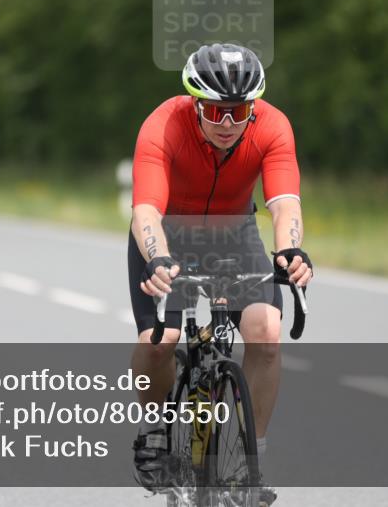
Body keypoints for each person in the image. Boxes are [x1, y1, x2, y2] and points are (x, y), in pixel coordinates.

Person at [128, 43, 313, 502]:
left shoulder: (272, 126)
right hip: (168, 234)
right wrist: (156, 257)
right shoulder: (163, 124)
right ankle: (156, 431)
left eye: (238, 111)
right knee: (161, 342)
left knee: (265, 329)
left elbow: (285, 201)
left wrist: (290, 250)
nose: (227, 123)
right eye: (215, 111)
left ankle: (249, 463)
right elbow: (146, 210)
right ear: (194, 103)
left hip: (236, 232)